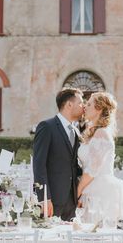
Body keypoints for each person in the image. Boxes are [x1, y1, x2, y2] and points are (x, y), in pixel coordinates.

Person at [77, 92, 123, 222]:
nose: (85, 106)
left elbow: (92, 171)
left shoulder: (102, 133)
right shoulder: (95, 132)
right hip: (91, 187)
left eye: (89, 104)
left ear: (99, 109)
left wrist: (77, 193)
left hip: (101, 191)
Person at [32, 88, 84, 221]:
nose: (83, 106)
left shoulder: (76, 131)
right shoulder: (47, 127)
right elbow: (39, 165)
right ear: (69, 105)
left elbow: (74, 166)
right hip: (52, 199)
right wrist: (44, 198)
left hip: (71, 201)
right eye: (80, 103)